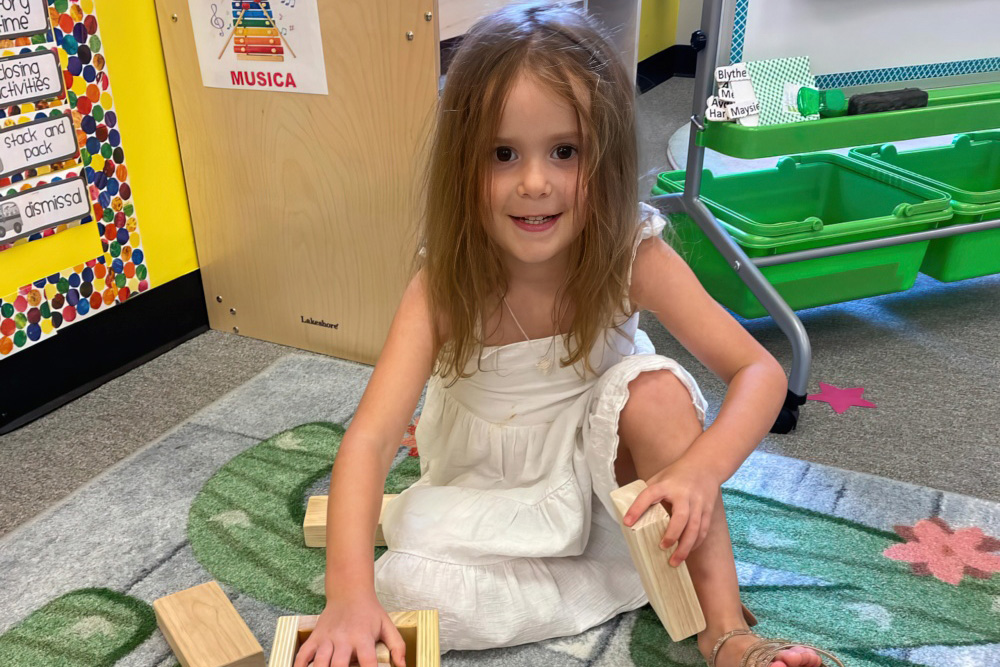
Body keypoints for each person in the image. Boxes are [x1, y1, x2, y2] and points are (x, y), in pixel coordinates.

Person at [295, 4, 844, 667]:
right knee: (407, 587)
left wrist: (702, 471)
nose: (534, 182)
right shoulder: (443, 282)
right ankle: (621, 576)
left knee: (657, 393)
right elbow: (372, 436)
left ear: (606, 154)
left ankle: (725, 630)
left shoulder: (630, 253)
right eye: (503, 154)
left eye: (565, 150)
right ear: (461, 167)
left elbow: (759, 371)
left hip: (602, 469)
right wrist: (348, 594)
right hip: (491, 485)